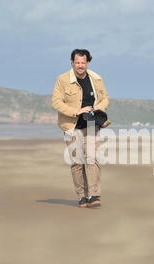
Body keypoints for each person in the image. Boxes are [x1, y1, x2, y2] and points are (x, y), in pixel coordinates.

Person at [52, 49, 110, 208]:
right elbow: (56, 102)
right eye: (77, 63)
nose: (80, 66)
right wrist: (76, 111)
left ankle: (94, 195)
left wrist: (98, 108)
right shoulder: (62, 80)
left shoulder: (96, 79)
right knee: (77, 163)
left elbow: (105, 98)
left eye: (83, 63)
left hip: (92, 124)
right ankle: (82, 196)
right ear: (72, 63)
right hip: (71, 126)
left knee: (92, 158)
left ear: (87, 63)